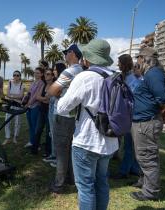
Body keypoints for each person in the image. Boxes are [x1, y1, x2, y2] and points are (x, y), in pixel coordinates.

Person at [57, 39, 119, 210]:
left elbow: (62, 108)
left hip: (86, 141)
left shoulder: (85, 77)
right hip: (110, 141)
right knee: (101, 183)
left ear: (88, 57)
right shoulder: (115, 76)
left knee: (85, 188)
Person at [130, 47, 165, 201]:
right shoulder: (149, 74)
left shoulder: (154, 73)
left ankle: (151, 192)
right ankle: (144, 182)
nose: (137, 61)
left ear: (145, 58)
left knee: (147, 157)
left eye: (139, 58)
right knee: (143, 156)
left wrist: (162, 110)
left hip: (147, 122)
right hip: (142, 122)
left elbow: (163, 97)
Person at [47, 44, 83, 194]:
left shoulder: (69, 71)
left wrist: (55, 91)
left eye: (66, 53)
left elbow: (52, 91)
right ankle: (71, 178)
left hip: (63, 115)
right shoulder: (82, 70)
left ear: (72, 54)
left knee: (61, 150)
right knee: (70, 148)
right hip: (75, 116)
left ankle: (59, 184)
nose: (65, 55)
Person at [111, 55, 140, 180]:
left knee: (129, 144)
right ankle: (134, 169)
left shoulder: (132, 78)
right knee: (131, 145)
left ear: (125, 63)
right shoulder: (127, 77)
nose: (118, 65)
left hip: (131, 115)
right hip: (127, 114)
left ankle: (124, 171)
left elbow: (131, 97)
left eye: (119, 63)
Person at [44, 61, 66, 164]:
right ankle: (54, 155)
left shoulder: (62, 81)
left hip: (56, 109)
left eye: (55, 70)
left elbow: (52, 94)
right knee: (52, 133)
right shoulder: (58, 81)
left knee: (55, 134)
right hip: (52, 108)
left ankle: (57, 157)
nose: (53, 71)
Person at [31, 68, 54, 155]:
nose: (46, 75)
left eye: (48, 74)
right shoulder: (44, 85)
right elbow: (37, 97)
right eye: (45, 74)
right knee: (38, 130)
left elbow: (50, 100)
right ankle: (34, 149)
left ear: (52, 76)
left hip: (49, 111)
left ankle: (48, 151)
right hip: (42, 110)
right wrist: (44, 99)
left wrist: (43, 99)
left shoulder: (54, 86)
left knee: (48, 131)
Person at [24, 67, 45, 148]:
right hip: (29, 107)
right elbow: (29, 93)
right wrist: (25, 101)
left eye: (38, 73)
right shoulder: (33, 82)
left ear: (41, 74)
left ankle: (36, 144)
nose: (36, 74)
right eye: (35, 72)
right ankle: (32, 141)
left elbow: (36, 96)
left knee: (35, 126)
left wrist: (28, 103)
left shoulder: (41, 83)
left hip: (36, 107)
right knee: (30, 125)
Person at [3, 70, 25, 145]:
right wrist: (15, 97)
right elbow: (7, 94)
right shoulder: (10, 83)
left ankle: (15, 137)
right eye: (14, 75)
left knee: (17, 122)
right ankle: (7, 137)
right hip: (10, 105)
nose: (15, 77)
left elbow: (21, 96)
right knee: (7, 121)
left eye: (17, 75)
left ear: (20, 77)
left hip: (18, 105)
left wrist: (11, 96)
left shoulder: (22, 84)